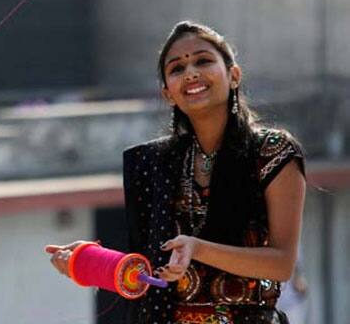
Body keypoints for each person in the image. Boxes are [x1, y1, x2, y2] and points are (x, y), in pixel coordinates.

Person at [45, 21, 305, 323]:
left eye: (203, 60)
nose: (191, 73)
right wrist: (91, 261)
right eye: (177, 68)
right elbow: (153, 274)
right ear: (168, 93)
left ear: (234, 76)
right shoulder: (156, 162)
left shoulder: (273, 151)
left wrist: (197, 249)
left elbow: (281, 264)